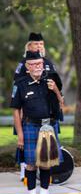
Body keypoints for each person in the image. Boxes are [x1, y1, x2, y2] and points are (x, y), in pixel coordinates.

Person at [10, 51, 64, 194]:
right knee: (31, 165)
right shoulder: (20, 84)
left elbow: (61, 103)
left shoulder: (50, 81)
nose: (37, 67)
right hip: (30, 126)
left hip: (48, 127)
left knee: (46, 165)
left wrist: (55, 90)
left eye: (39, 64)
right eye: (33, 64)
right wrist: (20, 134)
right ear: (27, 67)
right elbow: (16, 111)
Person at [14, 32, 63, 181]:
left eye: (41, 44)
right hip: (28, 109)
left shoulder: (48, 63)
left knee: (47, 151)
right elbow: (19, 90)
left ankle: (43, 184)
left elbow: (56, 84)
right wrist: (22, 118)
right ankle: (25, 172)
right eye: (36, 44)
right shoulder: (23, 64)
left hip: (48, 110)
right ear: (29, 46)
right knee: (26, 148)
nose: (39, 46)